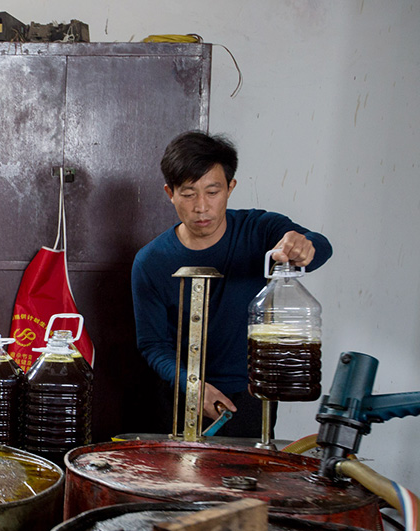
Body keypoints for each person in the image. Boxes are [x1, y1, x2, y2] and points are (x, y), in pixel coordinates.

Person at [131, 131, 332, 438]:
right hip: (180, 395)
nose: (201, 207)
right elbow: (153, 345)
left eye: (213, 192)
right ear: (169, 193)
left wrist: (303, 246)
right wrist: (192, 385)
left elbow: (320, 246)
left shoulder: (260, 229)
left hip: (251, 395)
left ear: (230, 188)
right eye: (188, 194)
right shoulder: (151, 261)